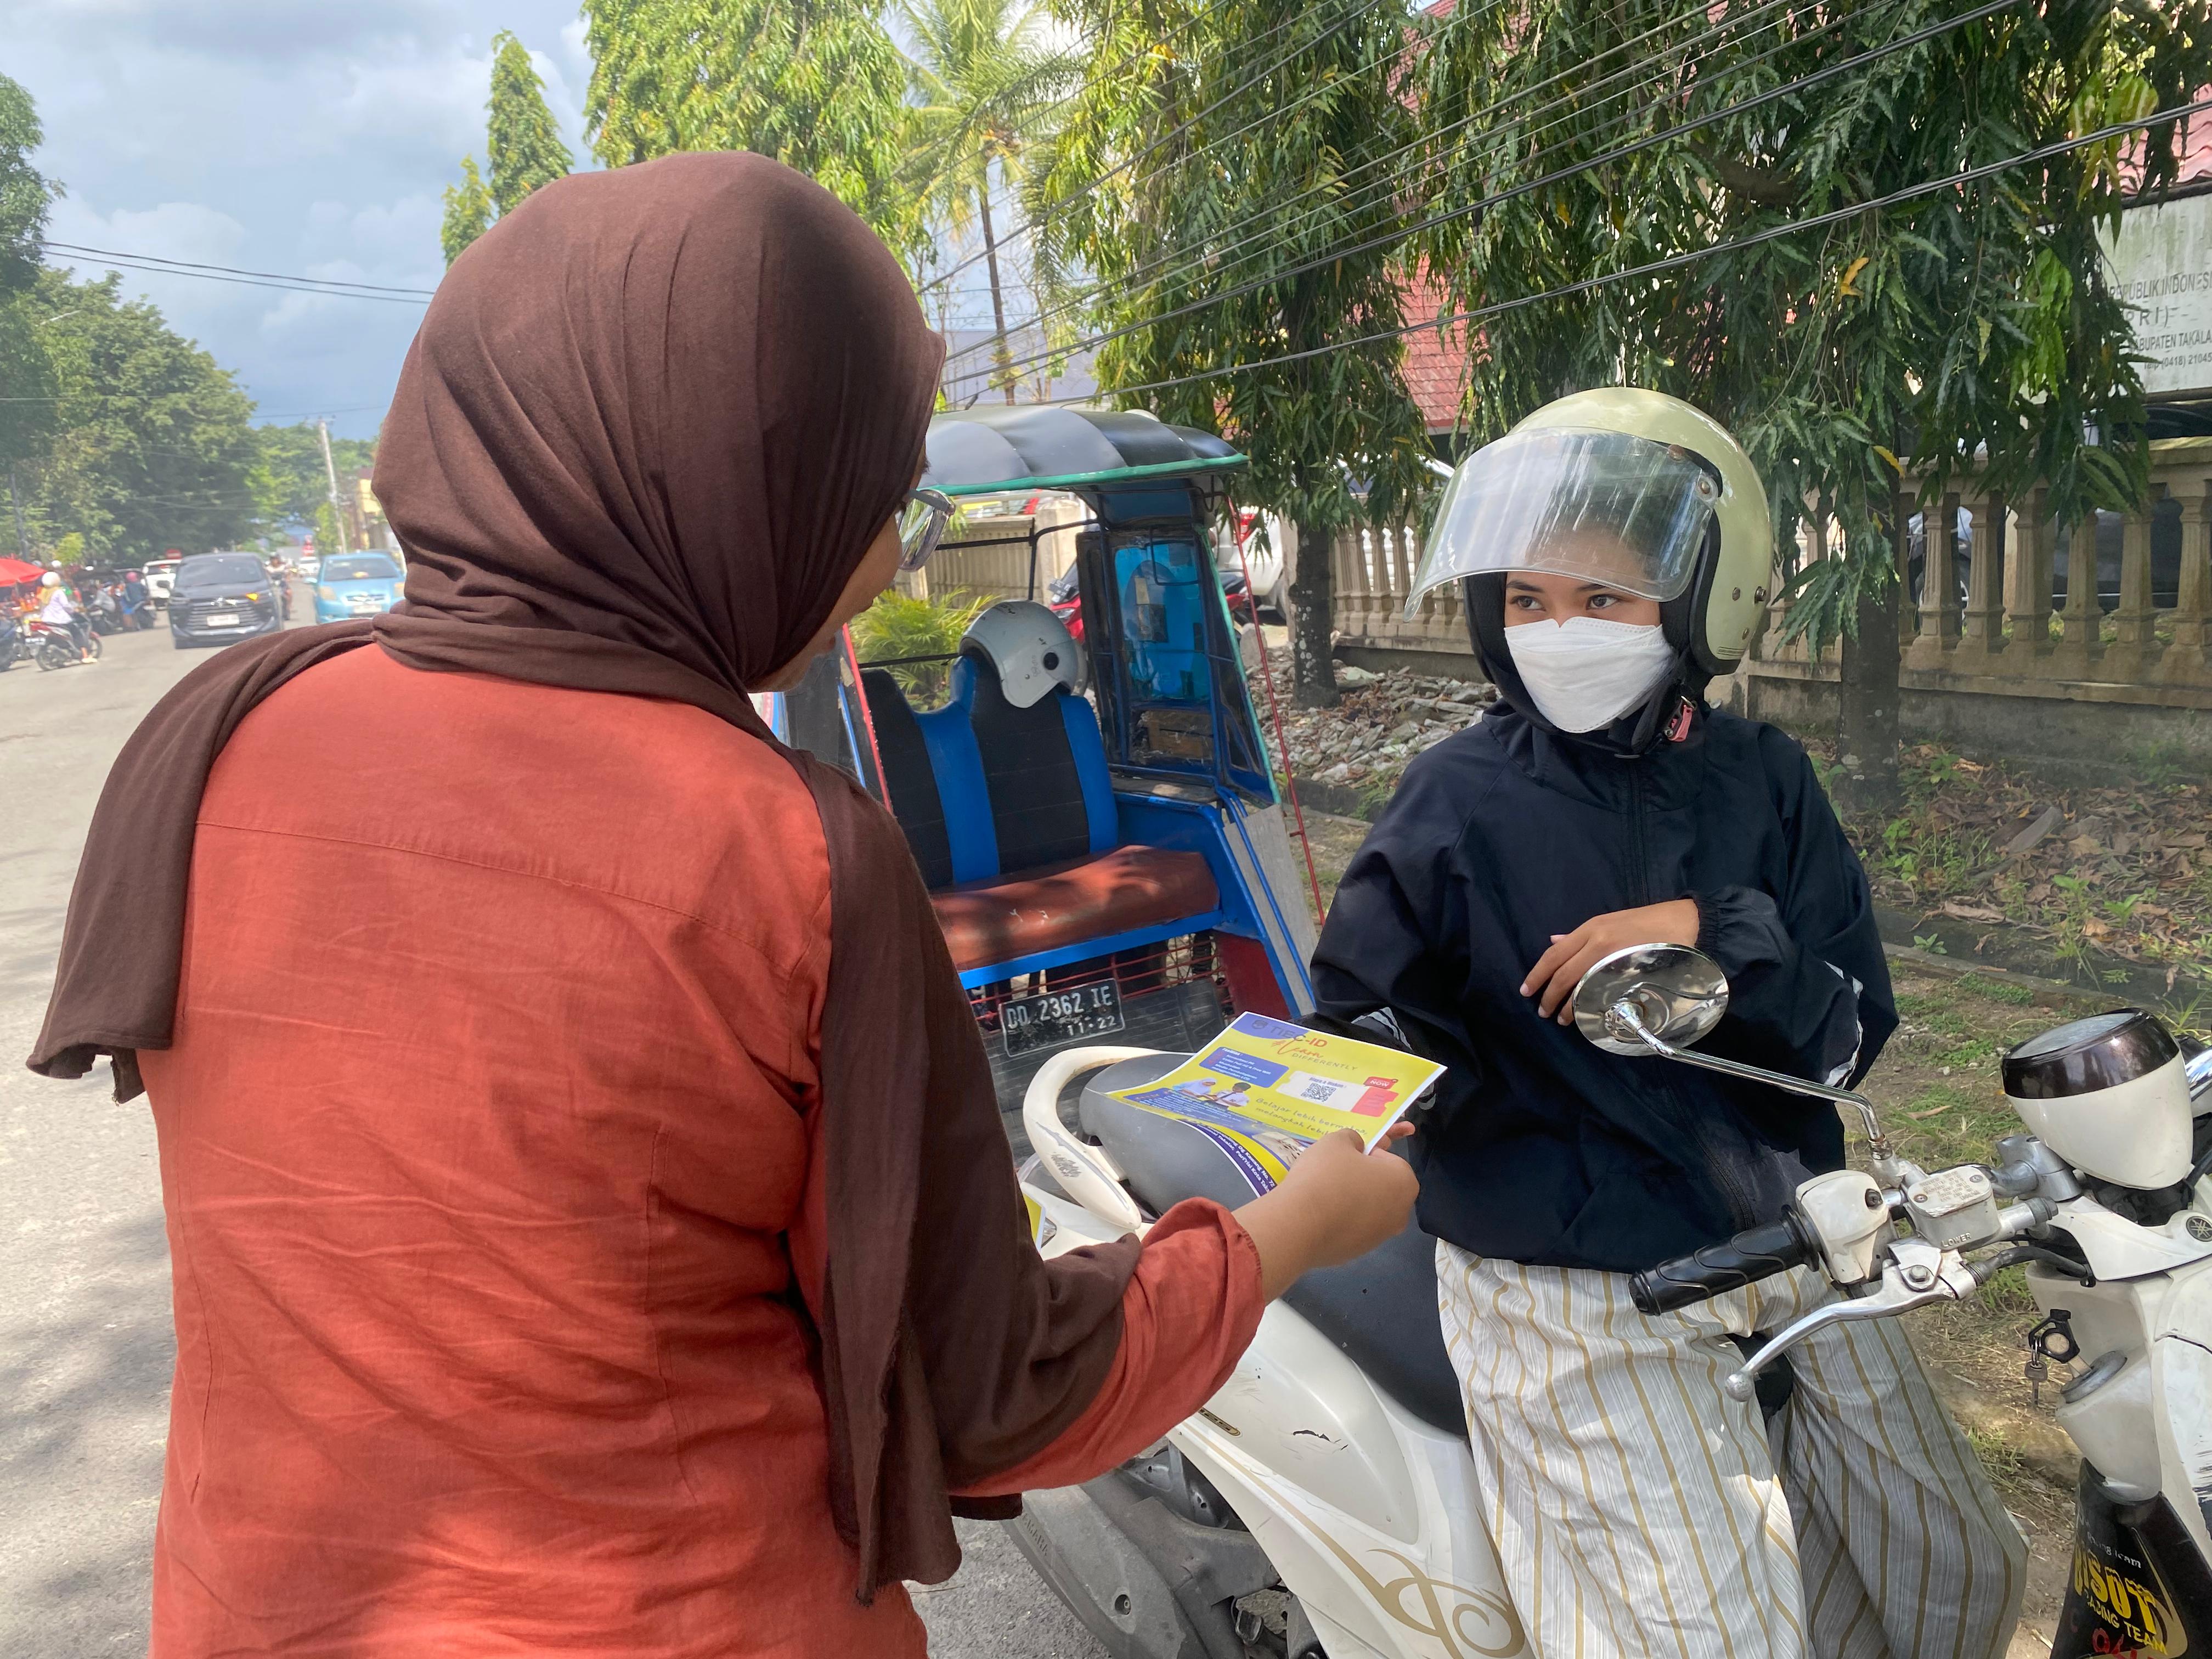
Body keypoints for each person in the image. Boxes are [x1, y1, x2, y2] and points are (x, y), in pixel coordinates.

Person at [27, 154, 1418, 1656]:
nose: (885, 563)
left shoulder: (223, 723)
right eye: (871, 496)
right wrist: (1285, 1231)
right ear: (721, 483)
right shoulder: (778, 846)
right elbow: (1001, 1399)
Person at [1311, 389, 2024, 1659]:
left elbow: (1848, 1029)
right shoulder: (1458, 798)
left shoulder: (1766, 783)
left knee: (1953, 1571)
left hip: (1785, 1238)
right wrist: (1406, 1078)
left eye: (1604, 597)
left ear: (1702, 602)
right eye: (1527, 601)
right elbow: (1364, 1017)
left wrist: (1724, 932)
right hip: (1570, 1289)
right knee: (1710, 1642)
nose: (1559, 630)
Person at [38, 569, 91, 661]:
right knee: (78, 633)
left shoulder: (43, 593)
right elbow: (66, 605)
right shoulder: (59, 591)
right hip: (61, 620)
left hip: (47, 621)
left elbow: (41, 608)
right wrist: (73, 610)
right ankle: (85, 656)